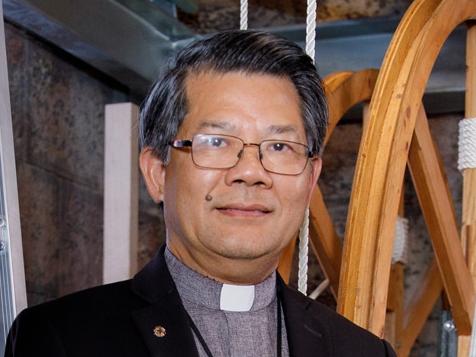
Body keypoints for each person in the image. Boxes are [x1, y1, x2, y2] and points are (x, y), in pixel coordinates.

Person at [5, 30, 396, 357]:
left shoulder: (361, 351)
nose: (249, 172)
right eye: (216, 142)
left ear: (311, 179)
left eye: (279, 147)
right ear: (157, 172)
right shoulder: (64, 340)